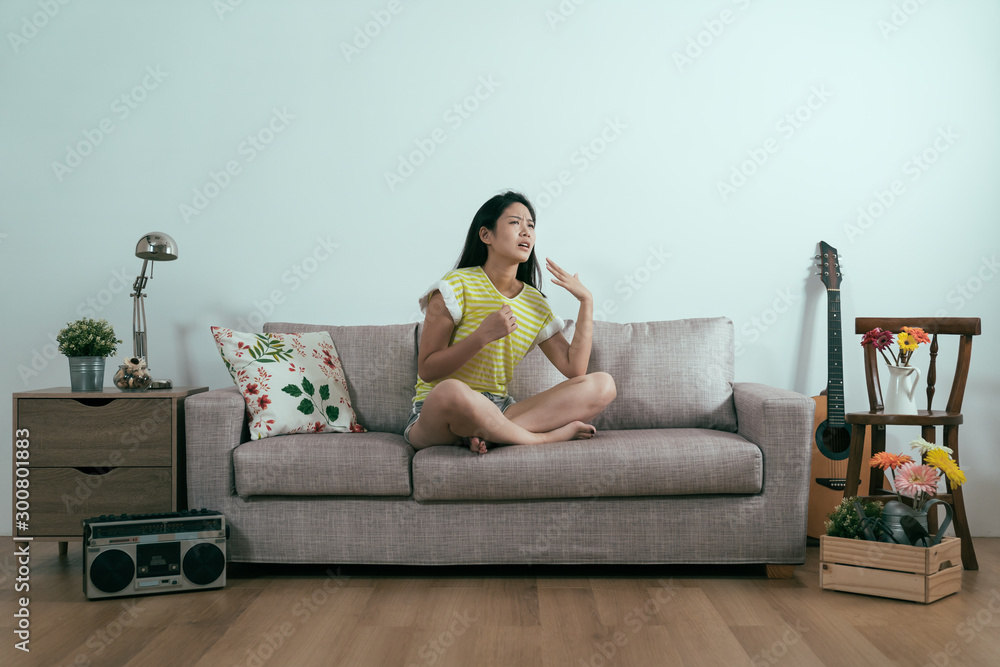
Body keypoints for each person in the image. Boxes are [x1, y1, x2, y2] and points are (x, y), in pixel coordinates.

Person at [404, 191, 616, 454]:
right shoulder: (454, 286)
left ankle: (489, 434)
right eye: (515, 223)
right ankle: (540, 438)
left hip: (500, 409)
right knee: (452, 391)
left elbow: (575, 369)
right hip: (439, 414)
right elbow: (427, 369)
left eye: (531, 226)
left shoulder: (535, 304)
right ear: (486, 235)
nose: (526, 231)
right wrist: (482, 336)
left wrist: (586, 302)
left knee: (603, 385)